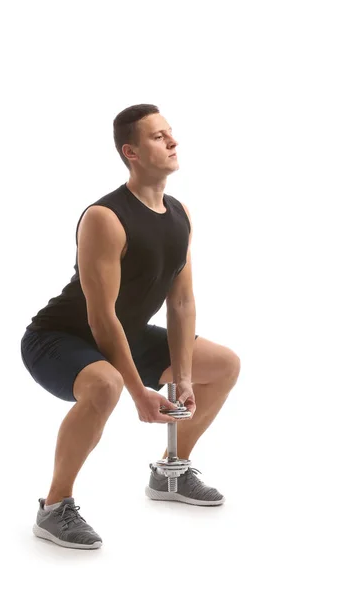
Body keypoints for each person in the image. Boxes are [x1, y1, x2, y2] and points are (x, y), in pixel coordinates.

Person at [20, 104, 241, 550]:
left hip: (127, 331)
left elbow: (180, 302)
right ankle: (54, 505)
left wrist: (181, 378)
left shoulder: (179, 214)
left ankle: (170, 473)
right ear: (131, 152)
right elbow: (100, 318)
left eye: (170, 133)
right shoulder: (105, 217)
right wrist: (139, 391)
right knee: (106, 385)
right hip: (59, 337)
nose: (173, 141)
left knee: (222, 365)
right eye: (158, 137)